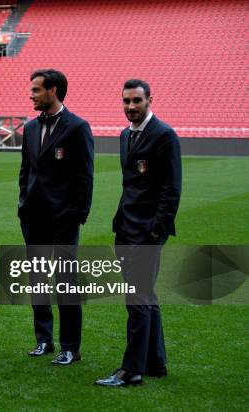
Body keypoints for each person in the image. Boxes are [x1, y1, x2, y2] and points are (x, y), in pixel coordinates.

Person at [96, 79, 181, 387]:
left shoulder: (164, 135)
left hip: (146, 234)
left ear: (149, 100)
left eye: (136, 101)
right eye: (126, 101)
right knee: (146, 297)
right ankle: (155, 362)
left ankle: (131, 370)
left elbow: (172, 190)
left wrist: (155, 232)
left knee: (137, 299)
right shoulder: (125, 136)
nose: (130, 107)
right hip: (126, 229)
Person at [18, 69, 94, 365]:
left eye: (36, 89)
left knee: (66, 282)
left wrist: (77, 214)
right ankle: (43, 340)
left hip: (63, 219)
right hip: (33, 217)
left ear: (53, 91)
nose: (31, 94)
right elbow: (26, 170)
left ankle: (70, 347)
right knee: (37, 280)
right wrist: (23, 202)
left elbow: (85, 175)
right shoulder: (31, 128)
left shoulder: (77, 127)